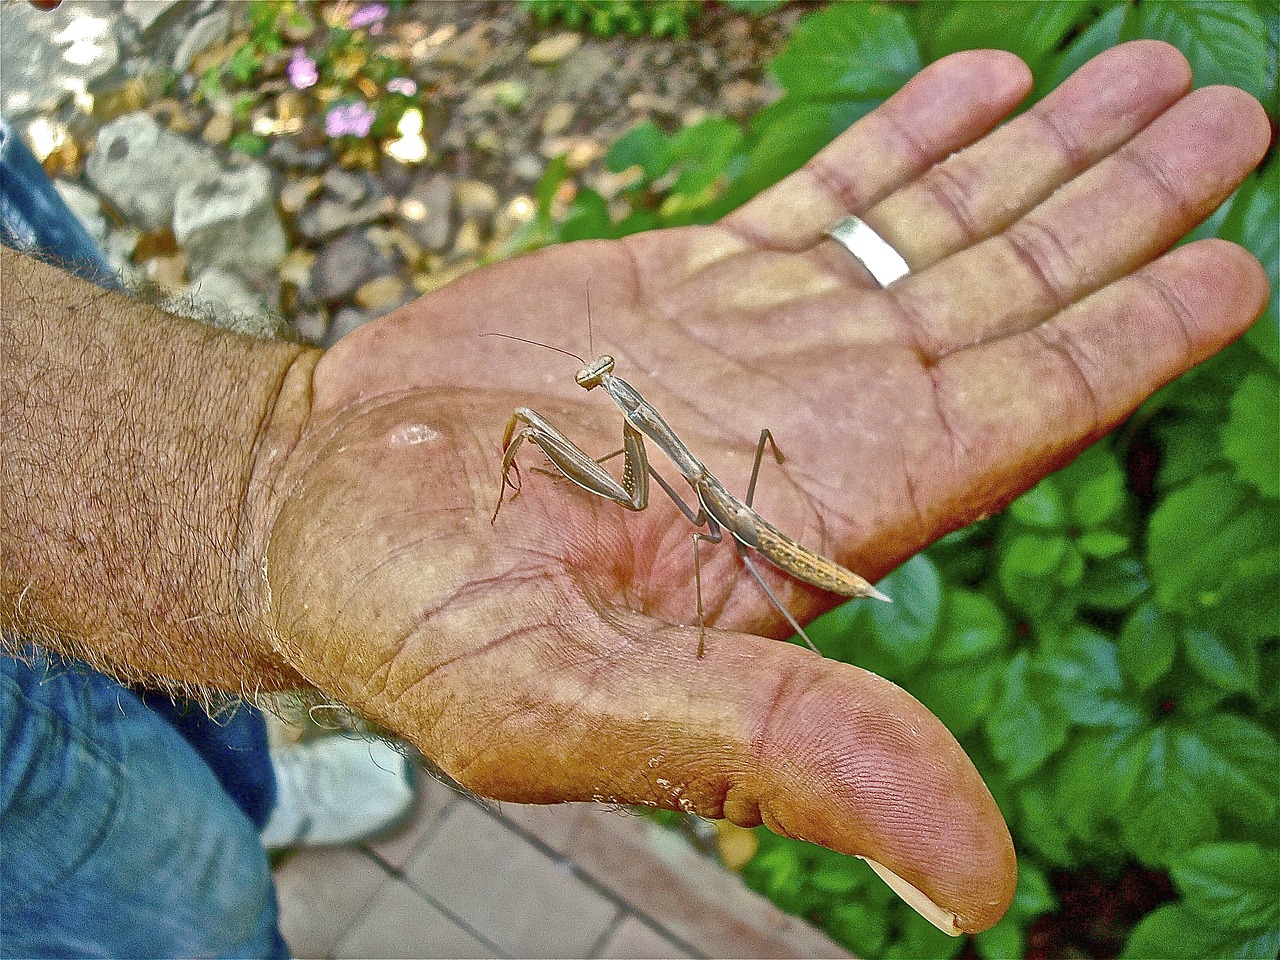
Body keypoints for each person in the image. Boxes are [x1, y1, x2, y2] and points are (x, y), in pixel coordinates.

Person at [1, 39, 1270, 952]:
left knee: (747, 524)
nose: (598, 386)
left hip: (750, 509)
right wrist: (261, 476)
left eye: (603, 378)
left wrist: (235, 454)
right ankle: (243, 825)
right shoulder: (607, 427)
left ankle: (258, 798)